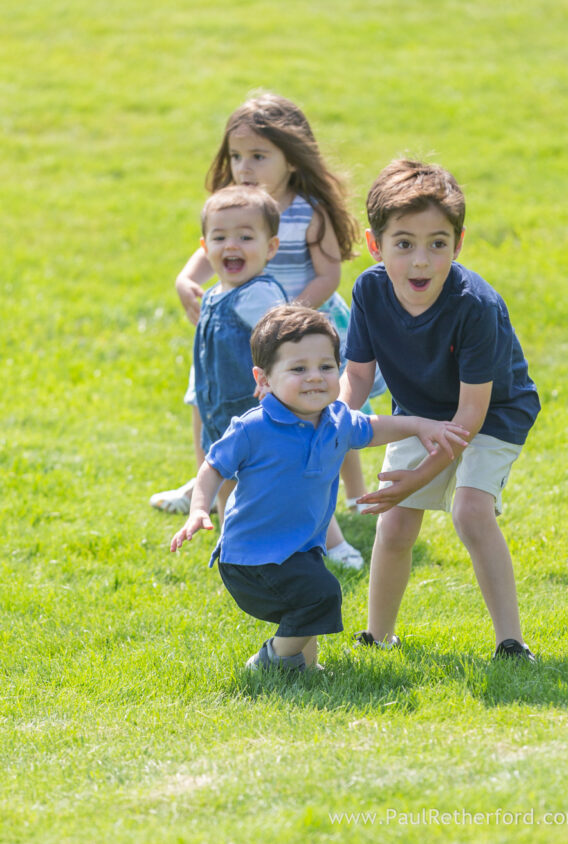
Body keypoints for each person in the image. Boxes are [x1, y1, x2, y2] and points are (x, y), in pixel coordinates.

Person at [153, 92, 385, 568]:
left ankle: (355, 495)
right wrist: (185, 281)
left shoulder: (307, 210)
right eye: (237, 156)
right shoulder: (232, 206)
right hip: (238, 333)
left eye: (258, 156)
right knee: (210, 402)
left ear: (291, 158)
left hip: (303, 330)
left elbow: (328, 276)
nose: (245, 166)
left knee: (327, 416)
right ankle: (202, 482)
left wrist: (287, 321)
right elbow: (207, 248)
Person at [170, 305, 469, 671]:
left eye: (326, 367)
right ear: (263, 379)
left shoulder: (337, 421)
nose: (315, 377)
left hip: (299, 549)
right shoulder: (254, 427)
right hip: (251, 557)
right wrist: (199, 508)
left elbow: (376, 427)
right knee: (322, 595)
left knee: (310, 598)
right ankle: (270, 661)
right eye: (298, 369)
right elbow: (212, 467)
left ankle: (303, 669)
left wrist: (421, 426)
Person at [340, 159, 541, 661]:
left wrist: (419, 476)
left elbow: (471, 416)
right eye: (404, 244)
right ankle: (378, 635)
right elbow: (359, 376)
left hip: (493, 412)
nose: (421, 261)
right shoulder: (368, 290)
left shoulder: (475, 305)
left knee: (471, 510)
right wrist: (333, 423)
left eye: (438, 243)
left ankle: (510, 642)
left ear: (459, 242)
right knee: (395, 523)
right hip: (420, 409)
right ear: (375, 244)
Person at [187, 185, 287, 519]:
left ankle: (332, 542)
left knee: (284, 484)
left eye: (245, 237)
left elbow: (285, 341)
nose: (231, 245)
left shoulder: (259, 295)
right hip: (220, 414)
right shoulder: (215, 294)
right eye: (219, 238)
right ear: (205, 247)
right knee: (226, 480)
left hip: (258, 415)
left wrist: (275, 380)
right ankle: (232, 548)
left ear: (270, 247)